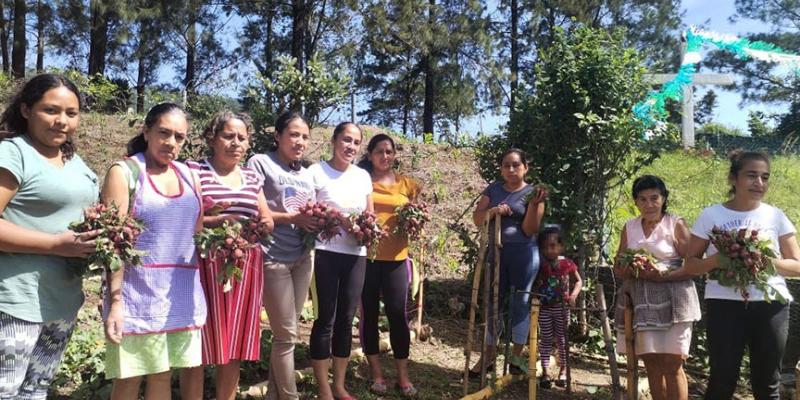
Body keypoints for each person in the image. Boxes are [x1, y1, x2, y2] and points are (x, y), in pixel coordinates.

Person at [0, 74, 100, 398]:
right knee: (6, 390)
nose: (62, 121)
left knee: (35, 391)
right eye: (51, 110)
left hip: (62, 302)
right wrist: (57, 245)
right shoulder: (14, 153)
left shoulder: (76, 163)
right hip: (15, 300)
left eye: (71, 113)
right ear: (27, 110)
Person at [101, 103, 207, 400]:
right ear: (146, 131)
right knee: (129, 379)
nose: (171, 143)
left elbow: (196, 234)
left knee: (163, 375)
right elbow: (113, 243)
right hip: (136, 297)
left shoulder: (190, 177)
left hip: (179, 297)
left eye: (179, 137)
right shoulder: (124, 173)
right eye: (163, 133)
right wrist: (117, 302)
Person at [682, 151, 800, 400]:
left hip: (771, 306)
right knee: (722, 379)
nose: (759, 183)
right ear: (733, 178)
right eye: (752, 175)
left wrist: (766, 262)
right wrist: (717, 260)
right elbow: (690, 265)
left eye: (765, 177)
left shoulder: (775, 216)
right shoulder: (711, 215)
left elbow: (797, 266)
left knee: (768, 384)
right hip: (724, 305)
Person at [181, 112, 275, 400]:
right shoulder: (194, 171)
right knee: (197, 342)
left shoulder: (251, 176)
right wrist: (218, 222)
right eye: (228, 136)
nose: (235, 143)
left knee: (233, 343)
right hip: (203, 267)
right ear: (213, 137)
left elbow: (267, 218)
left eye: (242, 138)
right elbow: (186, 217)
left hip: (243, 265)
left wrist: (262, 225)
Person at [247, 111, 316, 400]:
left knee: (285, 335)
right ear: (278, 136)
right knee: (287, 336)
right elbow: (253, 208)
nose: (300, 141)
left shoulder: (306, 173)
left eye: (305, 137)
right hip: (273, 257)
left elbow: (309, 212)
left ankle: (276, 396)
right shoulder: (260, 163)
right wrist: (292, 218)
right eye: (294, 134)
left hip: (303, 258)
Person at [612, 175, 700, 400]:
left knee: (672, 363)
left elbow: (694, 263)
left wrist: (664, 275)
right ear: (636, 202)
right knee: (651, 362)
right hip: (643, 301)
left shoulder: (675, 224)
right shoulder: (630, 227)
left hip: (675, 301)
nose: (649, 204)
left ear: (664, 199)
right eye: (642, 199)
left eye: (654, 198)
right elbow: (618, 265)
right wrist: (630, 267)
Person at [307, 122, 373, 400]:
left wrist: (367, 228)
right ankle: (324, 388)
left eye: (356, 142)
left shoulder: (362, 176)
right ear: (334, 140)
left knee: (346, 319)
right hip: (325, 253)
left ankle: (339, 386)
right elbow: (309, 213)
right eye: (346, 140)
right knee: (326, 319)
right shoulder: (316, 172)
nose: (351, 147)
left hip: (355, 255)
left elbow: (369, 213)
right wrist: (339, 220)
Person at [470, 148, 546, 377]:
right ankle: (489, 355)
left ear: (525, 167)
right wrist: (493, 211)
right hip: (496, 253)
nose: (511, 169)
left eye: (516, 165)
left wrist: (531, 206)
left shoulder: (534, 193)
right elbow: (477, 219)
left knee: (520, 303)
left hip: (523, 254)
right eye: (506, 165)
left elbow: (530, 229)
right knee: (492, 302)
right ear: (501, 168)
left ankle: (516, 357)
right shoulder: (493, 190)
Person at [356, 133, 421, 397]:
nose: (385, 156)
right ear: (370, 155)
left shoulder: (408, 185)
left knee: (398, 316)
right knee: (368, 316)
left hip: (396, 260)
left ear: (395, 155)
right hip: (367, 259)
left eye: (389, 152)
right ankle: (377, 375)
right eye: (379, 151)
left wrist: (415, 221)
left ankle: (403, 377)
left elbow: (417, 216)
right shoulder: (360, 182)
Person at [535, 225, 582, 388]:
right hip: (544, 308)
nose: (549, 250)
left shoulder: (567, 264)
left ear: (561, 246)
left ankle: (563, 371)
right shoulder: (540, 264)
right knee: (546, 339)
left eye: (553, 246)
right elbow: (535, 282)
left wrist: (573, 296)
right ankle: (545, 372)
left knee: (562, 339)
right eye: (545, 247)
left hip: (562, 308)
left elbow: (578, 281)